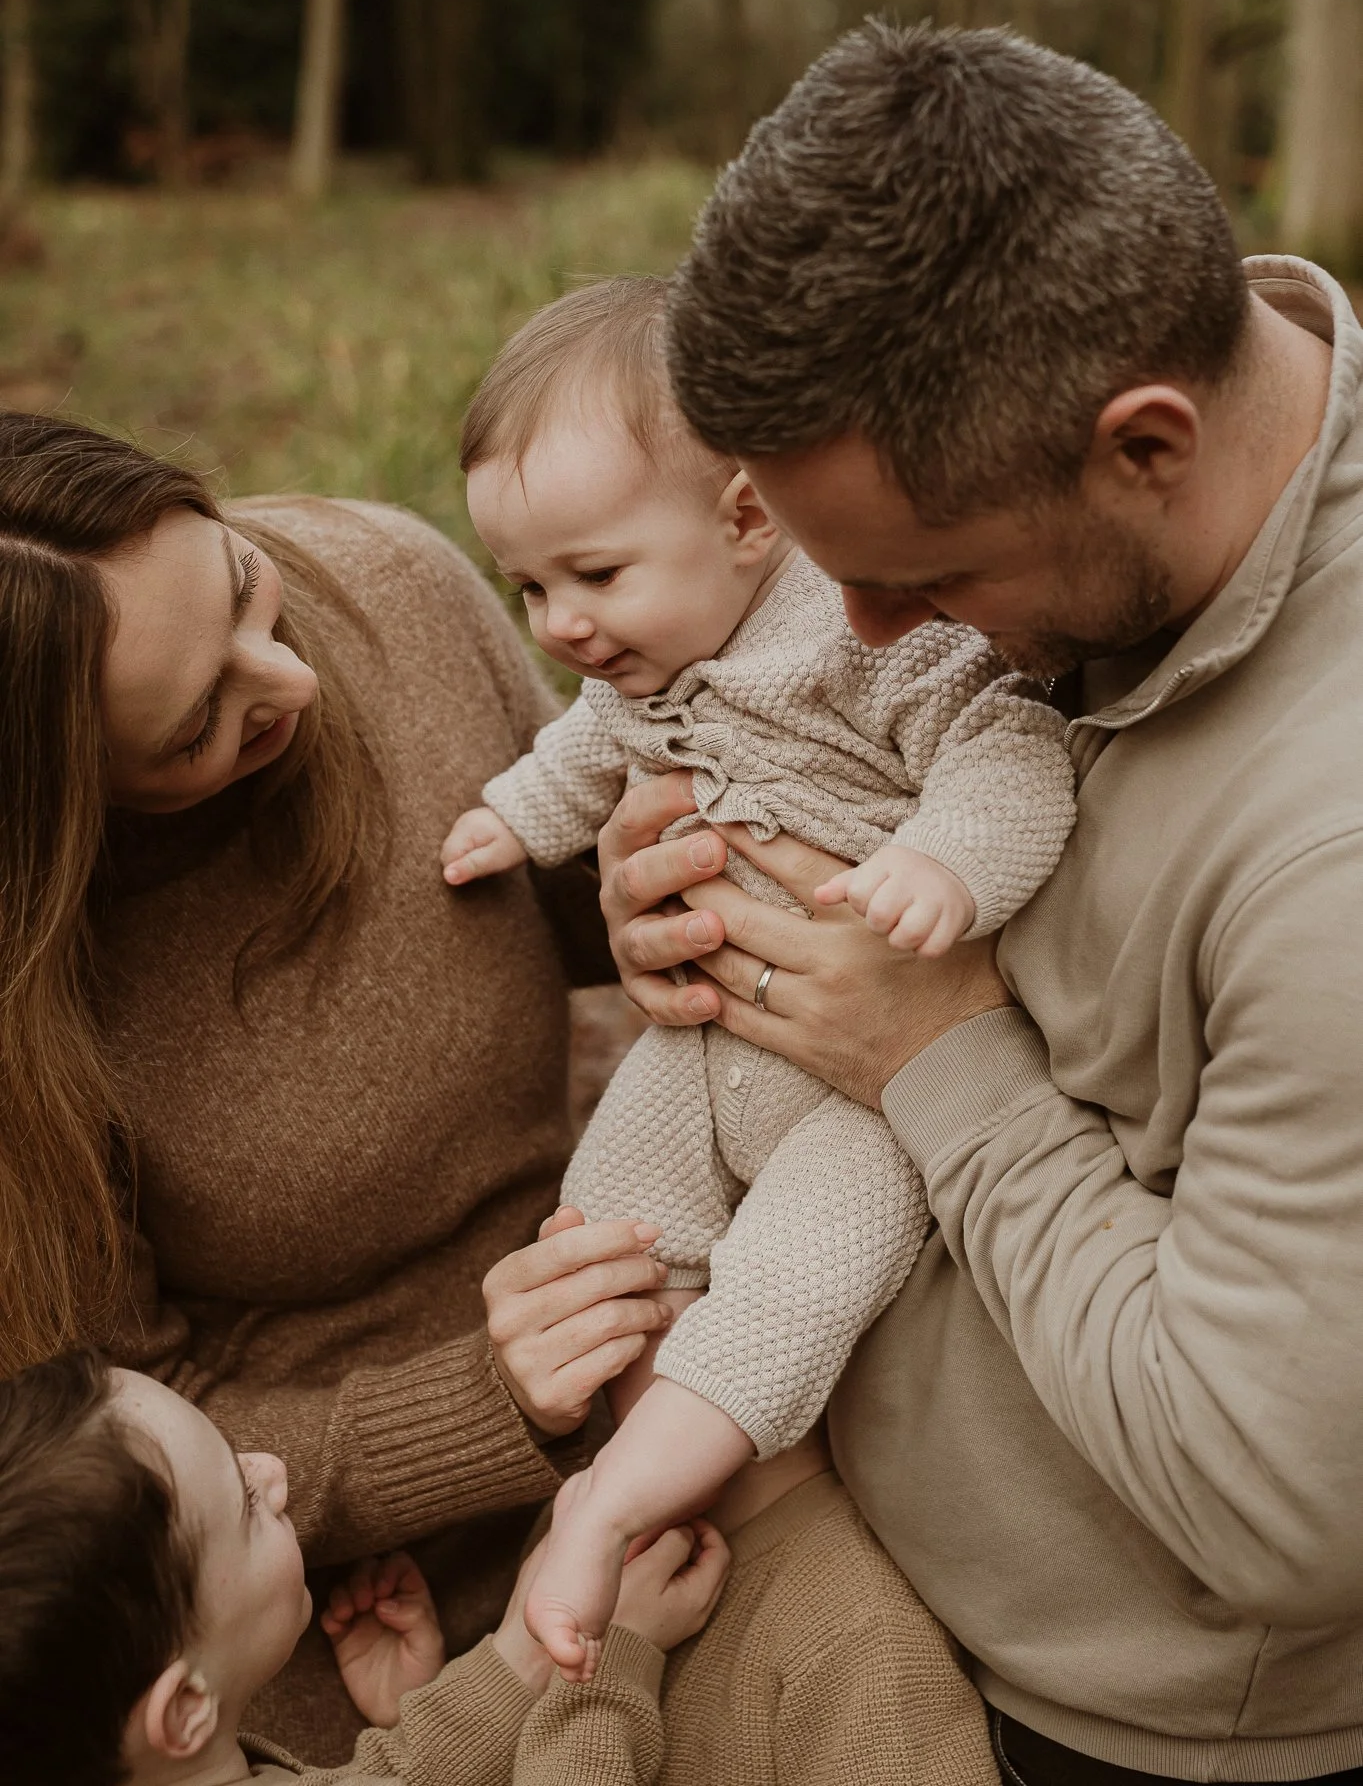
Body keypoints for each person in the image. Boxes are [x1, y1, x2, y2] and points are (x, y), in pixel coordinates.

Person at [590, 21, 1363, 1785]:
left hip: (1101, 1716)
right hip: (834, 1507)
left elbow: (1274, 1501)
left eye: (913, 581)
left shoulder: (1331, 855)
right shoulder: (1113, 495)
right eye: (820, 570)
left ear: (1143, 445)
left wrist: (926, 1048)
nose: (860, 638)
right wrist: (673, 888)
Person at [0, 413, 675, 1764]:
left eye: (250, 590)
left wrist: (641, 885)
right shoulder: (34, 1012)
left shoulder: (389, 589)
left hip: (647, 1424)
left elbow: (555, 888)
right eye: (200, 723)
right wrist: (484, 1402)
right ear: (69, 801)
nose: (292, 683)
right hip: (322, 1605)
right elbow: (116, 1469)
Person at [441, 275, 1074, 1673]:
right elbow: (584, 744)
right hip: (700, 1039)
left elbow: (1008, 755)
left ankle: (632, 1494)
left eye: (590, 576)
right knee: (603, 1230)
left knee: (795, 1274)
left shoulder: (863, 638)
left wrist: (946, 870)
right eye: (526, 586)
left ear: (739, 519)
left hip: (867, 1087)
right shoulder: (642, 653)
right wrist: (519, 819)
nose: (557, 624)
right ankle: (634, 1482)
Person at [0, 1346, 996, 1786]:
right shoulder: (851, 1642)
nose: (270, 1467)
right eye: (240, 1504)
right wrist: (610, 1660)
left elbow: (383, 1780)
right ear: (182, 1712)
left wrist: (495, 1667)